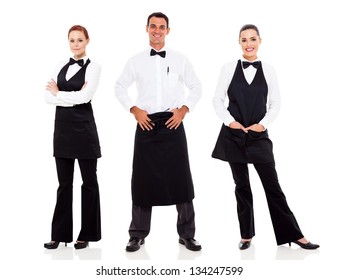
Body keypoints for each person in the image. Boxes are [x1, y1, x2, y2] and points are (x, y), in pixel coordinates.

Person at [212, 24, 319, 250]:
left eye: (252, 39)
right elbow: (217, 100)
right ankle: (246, 236)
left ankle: (294, 234)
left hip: (259, 137)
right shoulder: (228, 68)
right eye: (244, 40)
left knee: (273, 188)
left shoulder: (269, 70)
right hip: (233, 136)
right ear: (238, 43)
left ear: (260, 41)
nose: (248, 44)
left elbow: (275, 103)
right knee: (241, 186)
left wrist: (263, 125)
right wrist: (230, 121)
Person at [115, 12, 202, 252]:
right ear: (146, 29)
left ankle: (187, 234)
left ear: (168, 31)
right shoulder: (135, 60)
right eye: (153, 26)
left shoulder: (180, 59)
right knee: (142, 180)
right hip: (147, 123)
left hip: (173, 123)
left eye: (162, 27)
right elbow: (119, 86)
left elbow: (196, 86)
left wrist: (184, 109)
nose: (157, 30)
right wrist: (134, 109)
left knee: (181, 179)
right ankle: (137, 234)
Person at [44, 25, 102, 250]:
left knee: (89, 182)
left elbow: (86, 97)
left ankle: (86, 234)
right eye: (72, 40)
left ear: (87, 40)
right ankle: (59, 235)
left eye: (79, 40)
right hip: (62, 132)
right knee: (63, 184)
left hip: (85, 132)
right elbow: (48, 98)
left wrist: (59, 93)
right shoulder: (59, 65)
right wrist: (66, 96)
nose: (76, 44)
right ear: (68, 42)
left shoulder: (94, 67)